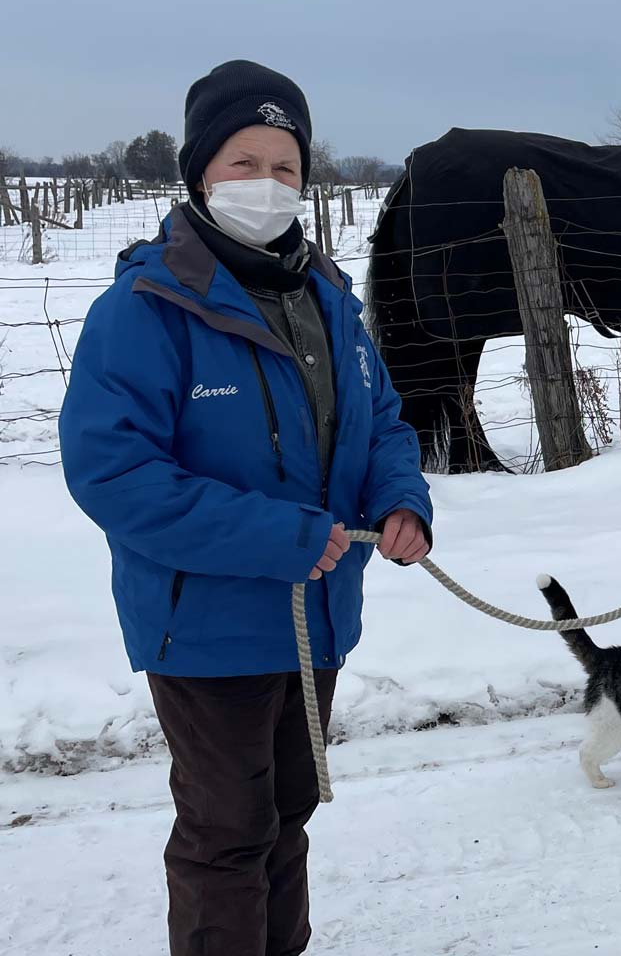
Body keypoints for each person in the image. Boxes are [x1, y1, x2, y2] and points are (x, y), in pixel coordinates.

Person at [59, 60, 433, 955]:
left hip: (319, 611)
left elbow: (380, 420)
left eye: (285, 168)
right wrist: (282, 537)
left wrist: (399, 499)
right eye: (243, 162)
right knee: (228, 832)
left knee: (288, 814)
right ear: (198, 172)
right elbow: (113, 474)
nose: (266, 186)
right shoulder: (146, 308)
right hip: (208, 627)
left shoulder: (330, 301)